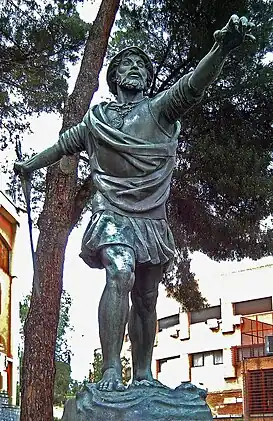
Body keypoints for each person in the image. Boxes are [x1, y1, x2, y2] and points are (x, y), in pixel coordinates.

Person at [15, 15, 254, 392]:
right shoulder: (98, 120)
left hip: (150, 215)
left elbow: (192, 86)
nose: (135, 68)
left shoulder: (158, 110)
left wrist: (221, 48)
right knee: (120, 273)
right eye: (127, 63)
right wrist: (29, 165)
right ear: (114, 76)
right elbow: (63, 145)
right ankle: (111, 368)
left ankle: (142, 373)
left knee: (146, 295)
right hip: (111, 212)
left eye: (142, 64)